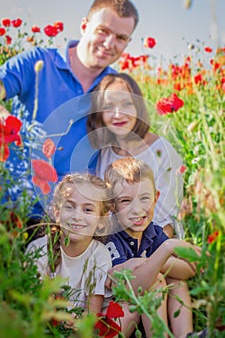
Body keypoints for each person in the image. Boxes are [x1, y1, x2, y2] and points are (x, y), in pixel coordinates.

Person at [0, 0, 139, 219]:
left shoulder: (116, 88)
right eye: (103, 31)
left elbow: (135, 141)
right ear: (84, 26)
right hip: (13, 204)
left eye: (120, 37)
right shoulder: (38, 62)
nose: (109, 44)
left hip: (71, 217)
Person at [103, 157, 201, 338]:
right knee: (156, 279)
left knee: (176, 280)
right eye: (126, 201)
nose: (137, 209)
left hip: (145, 314)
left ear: (156, 198)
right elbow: (132, 287)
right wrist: (165, 252)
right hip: (119, 319)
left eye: (145, 198)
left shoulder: (153, 232)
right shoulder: (111, 237)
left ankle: (186, 335)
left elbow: (189, 270)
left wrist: (155, 259)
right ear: (112, 205)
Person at [87, 72, 184, 238]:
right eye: (109, 107)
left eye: (127, 104)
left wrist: (145, 260)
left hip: (157, 247)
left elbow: (167, 222)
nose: (118, 114)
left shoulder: (161, 151)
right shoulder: (105, 153)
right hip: (114, 245)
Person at [25, 172, 113, 314]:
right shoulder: (38, 248)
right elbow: (34, 304)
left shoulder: (99, 255)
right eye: (69, 207)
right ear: (56, 212)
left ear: (102, 220)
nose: (77, 216)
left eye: (87, 209)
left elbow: (91, 317)